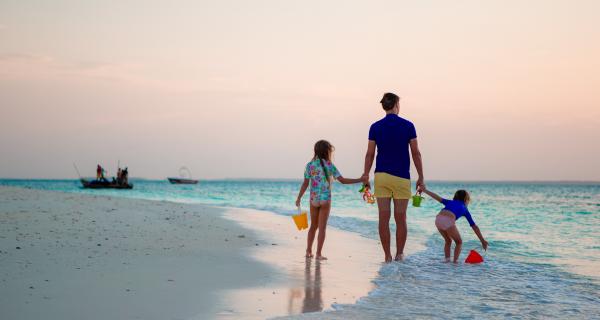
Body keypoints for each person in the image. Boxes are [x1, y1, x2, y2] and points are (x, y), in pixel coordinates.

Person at [362, 92, 425, 262]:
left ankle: (387, 256)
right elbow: (416, 153)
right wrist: (421, 176)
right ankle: (399, 254)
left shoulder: (375, 126)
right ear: (396, 104)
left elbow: (369, 154)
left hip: (381, 176)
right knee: (400, 218)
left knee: (383, 217)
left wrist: (365, 174)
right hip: (401, 177)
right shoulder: (408, 126)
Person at [296, 140, 366, 260]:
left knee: (313, 226)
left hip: (314, 199)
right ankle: (318, 254)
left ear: (315, 151)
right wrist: (360, 179)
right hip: (325, 200)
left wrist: (299, 198)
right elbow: (343, 180)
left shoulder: (310, 165)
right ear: (327, 151)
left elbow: (305, 184)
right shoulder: (329, 165)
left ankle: (308, 251)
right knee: (322, 228)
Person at [422, 187, 488, 263]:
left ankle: (447, 260)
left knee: (448, 240)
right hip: (448, 220)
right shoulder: (465, 209)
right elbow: (474, 227)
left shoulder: (450, 202)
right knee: (459, 242)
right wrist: (482, 240)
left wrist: (425, 190)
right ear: (466, 200)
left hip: (438, 219)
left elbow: (437, 197)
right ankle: (455, 262)